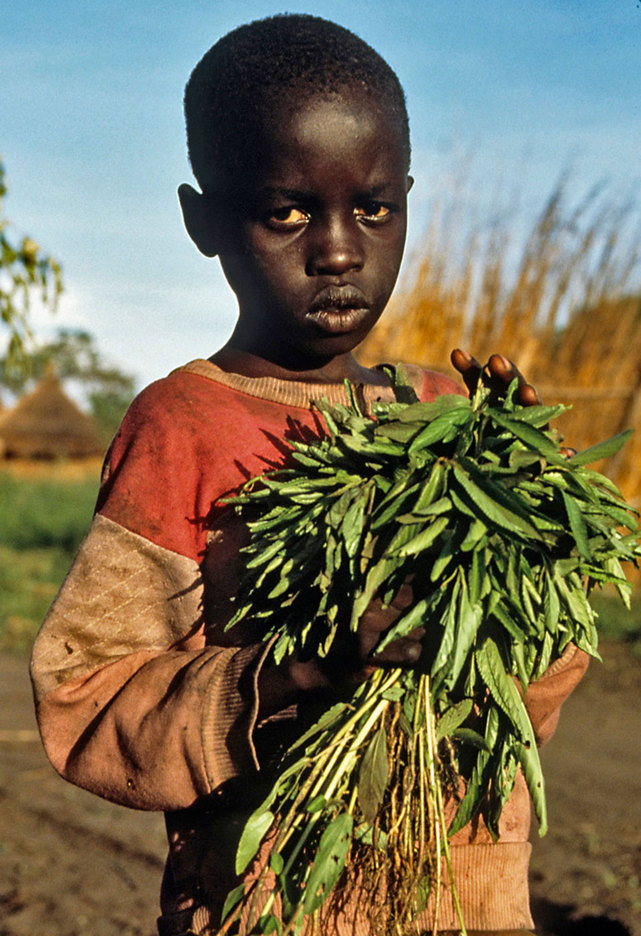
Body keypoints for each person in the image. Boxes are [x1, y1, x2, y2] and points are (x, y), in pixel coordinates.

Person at [30, 14, 588, 936]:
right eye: (287, 211)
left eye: (372, 208)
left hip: (472, 898)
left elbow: (535, 685)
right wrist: (301, 671)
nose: (337, 249)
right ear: (204, 220)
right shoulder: (183, 425)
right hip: (278, 903)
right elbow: (84, 695)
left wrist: (528, 517)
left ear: (405, 199)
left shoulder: (447, 411)